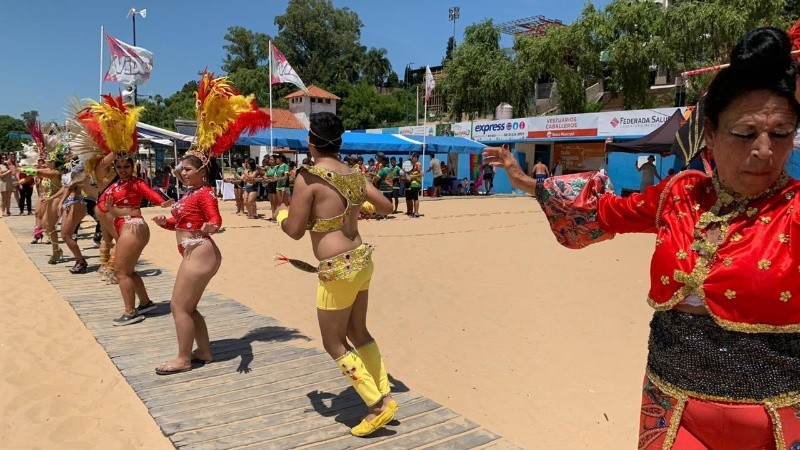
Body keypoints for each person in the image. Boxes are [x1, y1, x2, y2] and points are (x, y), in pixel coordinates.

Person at [482, 27, 800, 449]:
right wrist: (525, 181)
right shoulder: (680, 194)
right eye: (745, 134)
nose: (764, 150)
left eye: (781, 134)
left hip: (779, 421)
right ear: (709, 134)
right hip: (669, 411)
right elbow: (601, 212)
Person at [277, 112, 397, 436]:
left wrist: (281, 215)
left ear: (311, 142)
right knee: (359, 332)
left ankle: (376, 405)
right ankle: (385, 394)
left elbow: (294, 231)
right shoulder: (355, 174)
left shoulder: (308, 177)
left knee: (334, 343)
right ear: (340, 142)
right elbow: (388, 206)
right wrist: (362, 208)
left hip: (337, 268)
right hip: (361, 260)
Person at [73, 94, 173, 325]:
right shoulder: (113, 182)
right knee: (128, 269)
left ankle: (130, 312)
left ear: (132, 165)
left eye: (126, 165)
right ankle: (146, 303)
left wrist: (163, 202)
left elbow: (151, 194)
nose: (123, 168)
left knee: (121, 273)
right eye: (119, 165)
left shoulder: (135, 183)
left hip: (133, 227)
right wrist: (116, 148)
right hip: (119, 226)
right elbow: (99, 169)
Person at [405, 153, 422, 217]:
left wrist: (413, 176)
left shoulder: (418, 164)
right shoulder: (413, 164)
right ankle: (414, 212)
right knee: (413, 198)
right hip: (412, 184)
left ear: (416, 158)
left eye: (413, 157)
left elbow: (421, 174)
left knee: (415, 198)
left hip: (416, 184)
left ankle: (416, 212)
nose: (412, 158)